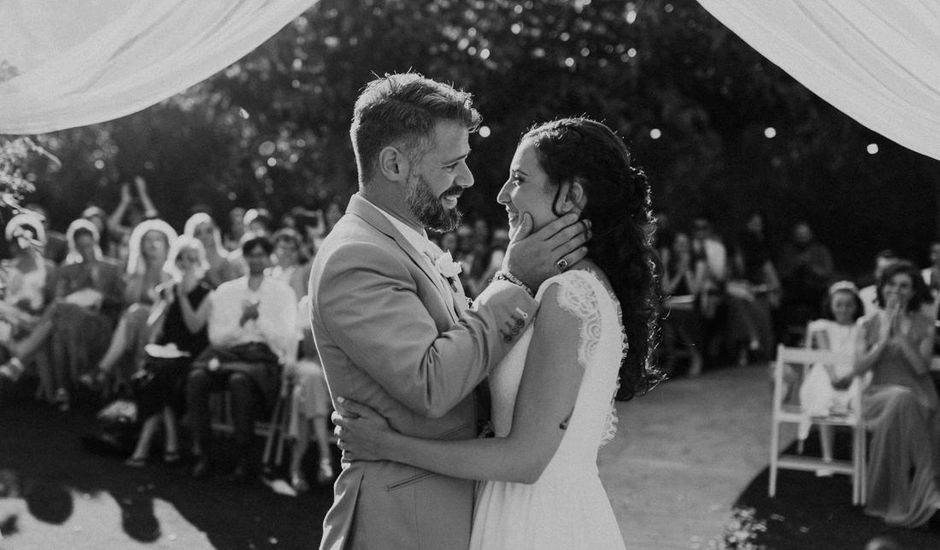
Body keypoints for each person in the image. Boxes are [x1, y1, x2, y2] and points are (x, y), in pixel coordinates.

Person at [332, 116, 660, 550]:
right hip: (507, 508)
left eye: (519, 179)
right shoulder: (546, 289)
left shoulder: (569, 295)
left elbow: (525, 459)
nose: (503, 194)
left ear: (573, 195)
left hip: (538, 523)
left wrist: (388, 444)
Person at [308, 74, 590, 550]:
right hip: (405, 521)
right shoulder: (355, 257)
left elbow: (464, 354)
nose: (468, 179)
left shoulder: (403, 242)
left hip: (448, 505)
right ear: (394, 164)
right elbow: (432, 383)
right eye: (451, 164)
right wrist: (514, 282)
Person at [834, 261, 940, 527]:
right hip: (878, 395)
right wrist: (883, 339)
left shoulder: (926, 325)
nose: (897, 290)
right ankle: (928, 492)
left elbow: (920, 368)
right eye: (892, 285)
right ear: (882, 288)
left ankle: (917, 496)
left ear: (914, 292)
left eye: (904, 286)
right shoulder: (866, 323)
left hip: (918, 393)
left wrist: (900, 336)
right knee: (900, 399)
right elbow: (860, 367)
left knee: (905, 400)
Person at [186, 233, 297, 482]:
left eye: (261, 255)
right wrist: (241, 321)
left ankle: (244, 458)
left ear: (269, 258)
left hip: (261, 357)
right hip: (227, 353)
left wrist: (259, 319)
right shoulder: (227, 291)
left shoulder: (283, 293)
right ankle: (203, 453)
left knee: (240, 381)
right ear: (244, 258)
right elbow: (216, 338)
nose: (256, 260)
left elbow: (284, 339)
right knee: (196, 378)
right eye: (251, 255)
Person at [125, 236, 212, 467]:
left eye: (194, 259)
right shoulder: (167, 291)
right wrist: (165, 303)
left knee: (159, 379)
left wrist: (182, 297)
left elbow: (195, 326)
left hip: (189, 355)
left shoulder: (207, 294)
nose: (189, 263)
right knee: (158, 376)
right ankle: (171, 443)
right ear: (178, 262)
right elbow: (152, 330)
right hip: (164, 353)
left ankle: (144, 445)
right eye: (184, 258)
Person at [797, 281, 865, 471]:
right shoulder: (823, 326)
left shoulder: (861, 327)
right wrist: (833, 376)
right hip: (828, 372)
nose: (843, 309)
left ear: (856, 306)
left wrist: (851, 376)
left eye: (848, 305)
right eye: (839, 304)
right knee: (824, 395)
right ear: (831, 305)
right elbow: (826, 354)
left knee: (857, 397)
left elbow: (861, 354)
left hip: (853, 372)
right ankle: (827, 458)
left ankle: (855, 458)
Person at [0, 213, 57, 399]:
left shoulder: (48, 268)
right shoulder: (6, 267)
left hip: (36, 318)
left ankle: (16, 363)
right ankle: (15, 363)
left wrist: (34, 309)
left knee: (52, 315)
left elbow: (52, 298)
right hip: (8, 317)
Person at [182, 212, 237, 288]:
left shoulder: (228, 261)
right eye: (198, 233)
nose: (204, 236)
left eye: (209, 231)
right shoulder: (185, 266)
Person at [858, 250, 899, 317]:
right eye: (883, 270)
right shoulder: (863, 295)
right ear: (875, 271)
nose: (887, 275)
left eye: (892, 270)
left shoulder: (905, 295)